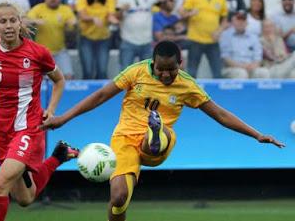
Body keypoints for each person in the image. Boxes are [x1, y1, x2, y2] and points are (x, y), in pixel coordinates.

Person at [40, 40, 284, 221]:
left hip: (160, 143)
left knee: (158, 135)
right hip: (124, 138)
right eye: (160, 70)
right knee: (118, 198)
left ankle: (154, 132)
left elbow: (220, 114)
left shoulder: (187, 85)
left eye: (171, 70)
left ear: (181, 63)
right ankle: (151, 133)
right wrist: (63, 118)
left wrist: (256, 134)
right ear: (152, 63)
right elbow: (101, 95)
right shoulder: (136, 72)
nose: (166, 74)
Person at [0, 1, 79, 221]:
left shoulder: (37, 52)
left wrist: (50, 110)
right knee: (25, 199)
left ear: (20, 22)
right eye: (3, 21)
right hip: (2, 131)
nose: (8, 25)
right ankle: (58, 156)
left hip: (29, 128)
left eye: (12, 20)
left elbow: (59, 80)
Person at [27, 0, 77, 79]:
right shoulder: (38, 8)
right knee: (37, 78)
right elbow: (25, 21)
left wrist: (73, 25)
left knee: (69, 76)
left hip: (60, 51)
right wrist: (35, 21)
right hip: (41, 53)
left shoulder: (66, 10)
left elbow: (74, 26)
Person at [179, 0, 229, 78]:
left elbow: (225, 19)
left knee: (217, 73)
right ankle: (191, 91)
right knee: (191, 73)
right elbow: (181, 13)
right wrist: (190, 13)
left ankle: (216, 91)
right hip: (195, 40)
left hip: (213, 41)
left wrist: (219, 31)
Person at [219, 11, 269, 79]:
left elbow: (258, 57)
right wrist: (241, 66)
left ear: (247, 23)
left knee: (264, 72)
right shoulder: (226, 35)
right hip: (232, 68)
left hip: (251, 67)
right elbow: (225, 58)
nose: (241, 22)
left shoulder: (253, 37)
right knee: (241, 73)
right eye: (238, 19)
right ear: (233, 21)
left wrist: (253, 66)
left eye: (243, 20)